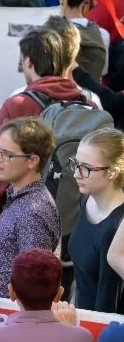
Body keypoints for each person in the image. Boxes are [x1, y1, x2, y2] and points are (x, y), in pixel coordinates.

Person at [0, 25, 95, 227]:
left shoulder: (18, 105)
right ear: (66, 64)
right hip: (77, 220)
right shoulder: (89, 105)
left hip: (25, 218)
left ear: (29, 63)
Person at [0, 117, 61, 298]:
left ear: (32, 161)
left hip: (10, 314)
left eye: (7, 154)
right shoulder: (17, 195)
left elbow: (35, 281)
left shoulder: (34, 212)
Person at [69, 128, 124, 313]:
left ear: (112, 173)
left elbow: (107, 307)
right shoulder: (87, 198)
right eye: (76, 164)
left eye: (86, 168)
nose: (77, 174)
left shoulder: (115, 227)